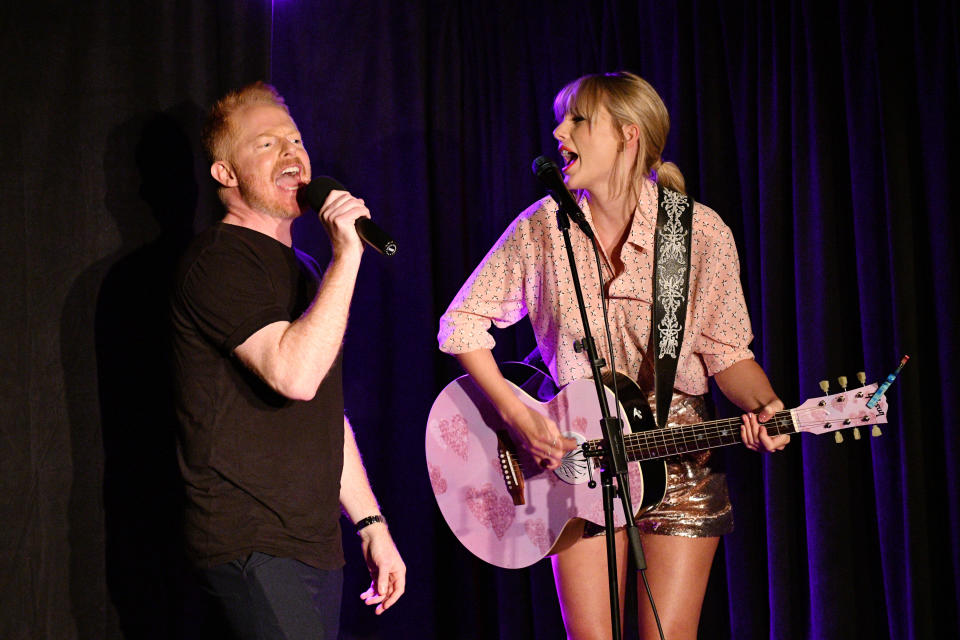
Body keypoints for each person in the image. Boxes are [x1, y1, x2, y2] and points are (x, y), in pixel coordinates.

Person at [438, 71, 788, 640]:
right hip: (578, 453)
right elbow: (460, 324)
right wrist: (518, 415)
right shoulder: (543, 229)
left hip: (677, 455)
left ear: (628, 136)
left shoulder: (699, 233)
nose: (558, 131)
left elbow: (726, 353)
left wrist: (768, 406)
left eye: (577, 119)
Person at [171, 82, 405, 639]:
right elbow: (294, 376)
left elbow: (326, 412)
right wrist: (348, 256)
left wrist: (371, 525)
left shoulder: (302, 269)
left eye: (295, 139)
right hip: (250, 540)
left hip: (312, 543)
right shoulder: (218, 261)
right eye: (266, 144)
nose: (291, 153)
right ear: (226, 174)